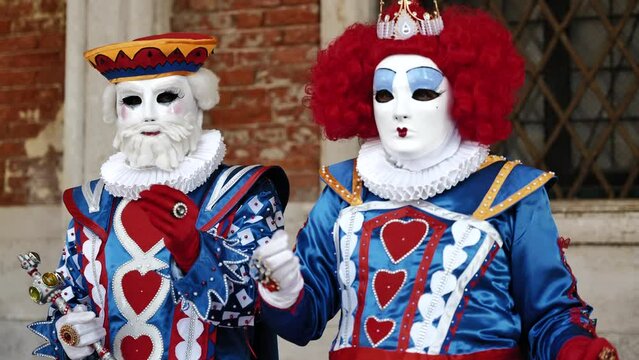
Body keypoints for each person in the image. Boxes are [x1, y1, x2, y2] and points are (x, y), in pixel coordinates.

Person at [253, 2, 618, 359]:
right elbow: (305, 322)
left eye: (423, 92)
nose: (399, 109)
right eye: (383, 94)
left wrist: (579, 351)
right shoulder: (346, 189)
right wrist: (282, 286)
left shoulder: (511, 192)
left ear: (463, 95)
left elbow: (549, 316)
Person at [27, 32, 288, 359]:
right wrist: (69, 336)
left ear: (198, 101)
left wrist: (197, 255)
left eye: (166, 97)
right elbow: (67, 300)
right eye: (132, 101)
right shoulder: (91, 205)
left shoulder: (244, 193)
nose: (148, 114)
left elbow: (269, 303)